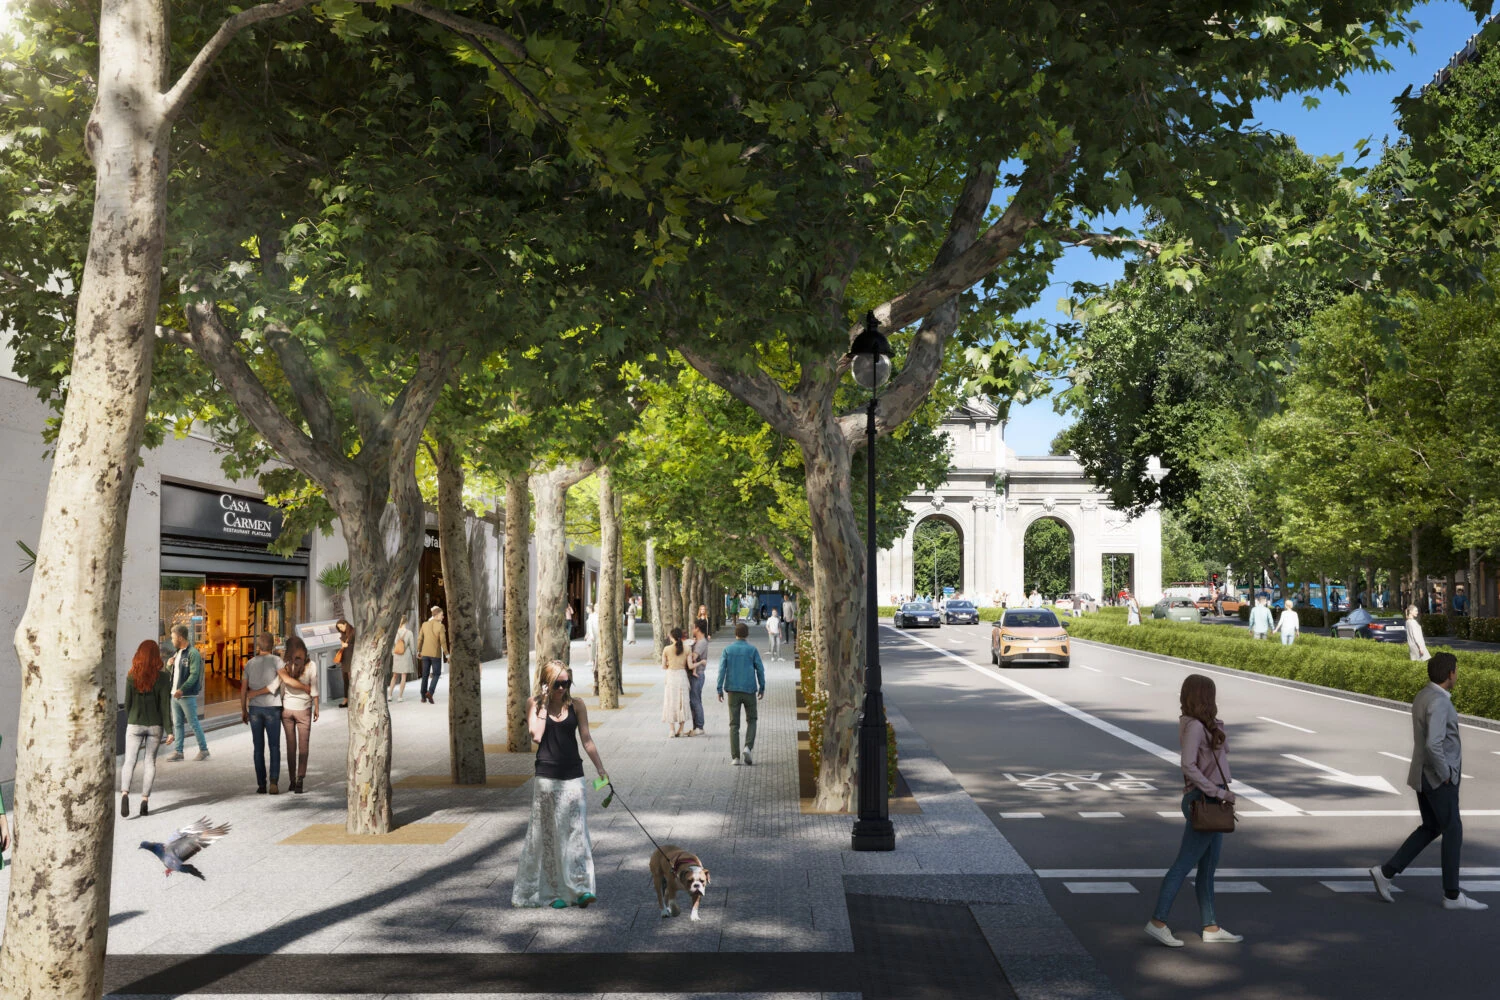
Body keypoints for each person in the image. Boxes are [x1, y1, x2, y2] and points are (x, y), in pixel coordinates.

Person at [1370, 652, 1487, 910]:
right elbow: (1435, 743)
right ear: (1449, 675)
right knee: (1453, 829)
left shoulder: (1424, 695)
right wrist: (1446, 773)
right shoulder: (1440, 702)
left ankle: (1386, 872)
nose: (1457, 674)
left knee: (1432, 826)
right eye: (1456, 671)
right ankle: (1452, 895)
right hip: (1437, 777)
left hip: (1423, 773)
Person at [1145, 674, 1243, 948]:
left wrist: (1218, 729)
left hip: (1212, 799)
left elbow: (1221, 755)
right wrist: (1217, 792)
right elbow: (1188, 765)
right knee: (1183, 864)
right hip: (1205, 800)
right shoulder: (1195, 727)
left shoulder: (1203, 725)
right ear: (1204, 697)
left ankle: (1210, 926)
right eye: (1211, 694)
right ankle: (1158, 922)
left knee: (1208, 867)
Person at [513, 660, 608, 909]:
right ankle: (552, 892)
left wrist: (600, 768)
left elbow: (586, 738)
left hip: (573, 774)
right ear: (546, 683)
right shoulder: (534, 704)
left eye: (566, 683)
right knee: (548, 835)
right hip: (546, 776)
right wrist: (544, 702)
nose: (562, 689)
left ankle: (581, 888)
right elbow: (536, 735)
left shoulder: (577, 705)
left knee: (577, 832)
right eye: (557, 684)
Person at [121, 639, 174, 818]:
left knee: (129, 761)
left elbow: (127, 704)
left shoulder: (131, 676)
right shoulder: (164, 677)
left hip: (135, 723)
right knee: (150, 761)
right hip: (155, 725)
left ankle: (125, 794)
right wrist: (170, 731)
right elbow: (165, 706)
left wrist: (132, 719)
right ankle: (144, 800)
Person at [240, 632, 284, 795]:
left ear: (258, 646)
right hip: (272, 707)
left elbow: (243, 688)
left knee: (258, 748)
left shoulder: (249, 663)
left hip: (255, 709)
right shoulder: (277, 661)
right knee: (274, 746)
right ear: (272, 645)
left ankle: (261, 784)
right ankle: (274, 781)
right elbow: (281, 681)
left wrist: (244, 709)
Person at [716, 622, 766, 766]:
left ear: (735, 634)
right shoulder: (752, 650)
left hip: (732, 690)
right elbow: (760, 670)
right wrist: (762, 687)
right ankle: (748, 747)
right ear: (747, 634)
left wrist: (719, 689)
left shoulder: (727, 650)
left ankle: (735, 757)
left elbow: (721, 670)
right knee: (752, 720)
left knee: (734, 724)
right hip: (749, 689)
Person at [278, 635, 319, 794]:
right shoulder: (311, 665)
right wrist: (316, 706)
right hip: (304, 709)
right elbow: (314, 687)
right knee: (303, 746)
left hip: (287, 709)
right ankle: (300, 779)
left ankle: (291, 780)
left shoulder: (285, 665)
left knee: (290, 745)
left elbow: (281, 686)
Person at [166, 625, 209, 762]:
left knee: (193, 723)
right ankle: (179, 752)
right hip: (175, 695)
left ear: (180, 637)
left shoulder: (193, 653)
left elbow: (194, 674)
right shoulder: (177, 652)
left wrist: (182, 689)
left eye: (173, 638)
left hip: (186, 696)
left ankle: (204, 750)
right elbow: (174, 673)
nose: (172, 641)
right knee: (177, 724)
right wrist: (168, 664)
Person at [661, 626, 691, 738]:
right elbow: (690, 665)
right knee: (682, 702)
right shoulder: (687, 648)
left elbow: (663, 666)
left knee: (670, 702)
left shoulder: (666, 649)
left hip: (671, 676)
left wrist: (670, 664)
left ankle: (672, 730)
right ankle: (681, 729)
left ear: (671, 637)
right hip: (682, 676)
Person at [418, 606, 447, 704]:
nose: (443, 617)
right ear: (437, 615)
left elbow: (420, 638)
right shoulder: (440, 626)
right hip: (435, 654)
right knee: (436, 674)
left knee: (425, 675)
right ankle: (430, 692)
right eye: (442, 615)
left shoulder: (424, 624)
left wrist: (418, 651)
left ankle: (423, 697)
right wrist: (447, 655)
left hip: (425, 653)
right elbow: (443, 641)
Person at [389, 612, 418, 702]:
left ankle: (389, 695)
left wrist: (393, 653)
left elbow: (391, 645)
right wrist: (414, 654)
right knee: (403, 676)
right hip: (406, 655)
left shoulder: (395, 632)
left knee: (394, 675)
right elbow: (412, 647)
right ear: (406, 622)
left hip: (397, 655)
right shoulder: (409, 633)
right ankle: (400, 697)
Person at [688, 620, 709, 736]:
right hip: (696, 674)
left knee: (695, 701)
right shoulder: (699, 642)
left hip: (698, 674)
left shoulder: (701, 643)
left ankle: (699, 726)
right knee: (694, 701)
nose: (692, 630)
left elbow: (693, 657)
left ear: (697, 629)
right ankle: (696, 726)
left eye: (693, 628)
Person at [334, 618, 355, 708]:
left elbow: (359, 645)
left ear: (345, 624)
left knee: (352, 680)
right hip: (345, 659)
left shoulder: (354, 632)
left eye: (341, 627)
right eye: (339, 628)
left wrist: (348, 645)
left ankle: (353, 699)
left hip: (352, 658)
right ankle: (346, 699)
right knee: (345, 680)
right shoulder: (343, 634)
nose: (340, 629)